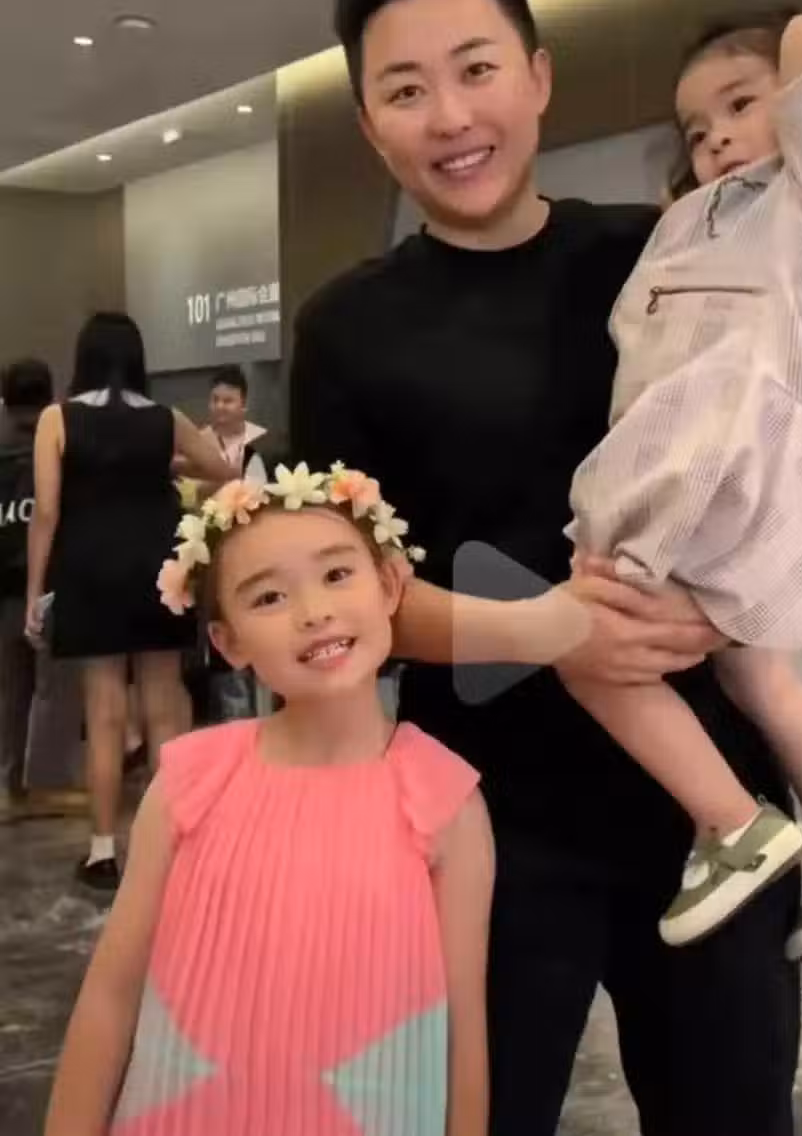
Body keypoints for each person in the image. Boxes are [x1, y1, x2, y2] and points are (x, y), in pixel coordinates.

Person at [290, 0, 802, 1136]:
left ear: (538, 77)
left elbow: (770, 455)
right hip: (487, 817)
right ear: (369, 126)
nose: (451, 116)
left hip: (709, 802)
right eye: (405, 91)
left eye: (477, 70)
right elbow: (345, 595)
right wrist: (552, 630)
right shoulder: (347, 327)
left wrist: (725, 601)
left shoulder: (661, 252)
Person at [564, 11, 802, 959]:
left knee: (589, 647)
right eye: (695, 126)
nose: (713, 135)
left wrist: (790, 57)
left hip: (717, 459)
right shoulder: (701, 219)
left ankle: (734, 825)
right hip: (702, 460)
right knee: (754, 668)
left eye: (740, 103)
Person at [44, 464, 494, 1136]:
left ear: (389, 586)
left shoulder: (443, 798)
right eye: (269, 597)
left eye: (337, 574)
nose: (313, 612)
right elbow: (112, 994)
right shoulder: (192, 779)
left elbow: (462, 1031)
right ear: (228, 643)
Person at [26, 312, 233, 891]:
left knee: (105, 712)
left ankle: (102, 852)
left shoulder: (56, 419)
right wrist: (165, 462)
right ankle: (171, 845)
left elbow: (47, 511)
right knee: (165, 706)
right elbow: (221, 469)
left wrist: (36, 590)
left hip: (89, 570)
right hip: (159, 568)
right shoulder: (166, 419)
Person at [0, 358, 83, 821]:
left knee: (9, 691)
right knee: (54, 686)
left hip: (2, 590)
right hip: (48, 583)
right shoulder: (57, 442)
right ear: (51, 395)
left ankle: (7, 785)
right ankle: (47, 785)